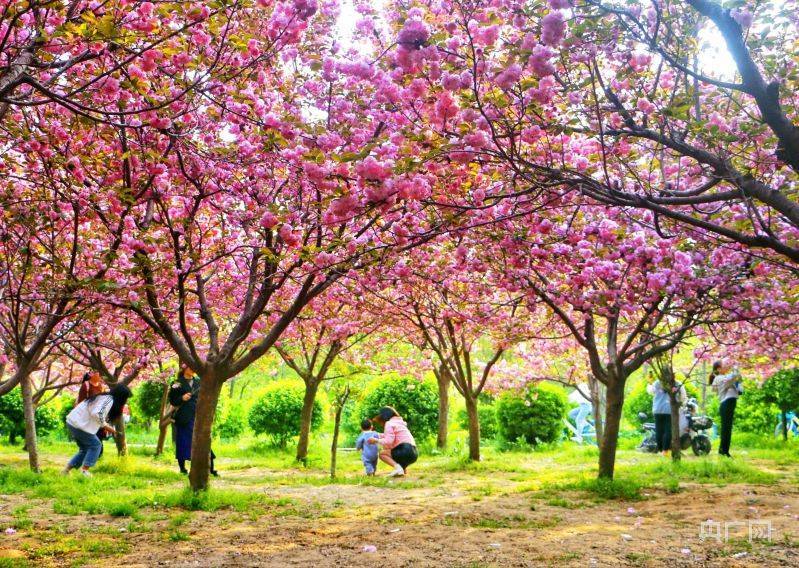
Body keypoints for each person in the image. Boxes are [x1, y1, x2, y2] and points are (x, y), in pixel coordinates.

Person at [62, 384, 131, 477]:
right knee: (96, 445)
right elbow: (97, 413)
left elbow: (97, 414)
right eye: (126, 398)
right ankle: (84, 471)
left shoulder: (104, 397)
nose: (126, 400)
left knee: (85, 449)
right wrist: (106, 426)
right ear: (121, 396)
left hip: (73, 422)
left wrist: (106, 426)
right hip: (78, 424)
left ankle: (66, 471)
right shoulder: (109, 399)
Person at [169, 364, 218, 476]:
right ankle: (182, 468)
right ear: (184, 369)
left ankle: (210, 468)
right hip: (184, 417)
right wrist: (182, 398)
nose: (193, 369)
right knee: (183, 442)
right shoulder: (177, 383)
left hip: (199, 416)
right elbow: (172, 400)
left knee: (203, 440)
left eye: (194, 367)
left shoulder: (200, 381)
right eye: (190, 367)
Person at [368, 406, 417, 477]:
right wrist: (378, 435)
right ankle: (402, 469)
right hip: (414, 453)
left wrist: (376, 440)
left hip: (405, 451)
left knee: (382, 454)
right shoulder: (399, 423)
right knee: (394, 450)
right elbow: (390, 436)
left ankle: (398, 468)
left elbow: (389, 441)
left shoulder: (389, 424)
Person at [709, 360, 741, 457]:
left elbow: (738, 379)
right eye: (725, 365)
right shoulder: (720, 378)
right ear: (719, 369)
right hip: (726, 403)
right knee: (726, 429)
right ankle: (723, 451)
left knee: (727, 428)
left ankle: (723, 451)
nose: (727, 366)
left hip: (728, 404)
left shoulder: (723, 377)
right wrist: (735, 366)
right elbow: (735, 377)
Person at [648, 377, 687, 455]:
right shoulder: (677, 383)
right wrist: (679, 402)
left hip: (657, 409)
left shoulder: (657, 383)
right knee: (668, 430)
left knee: (659, 430)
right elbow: (683, 396)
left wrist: (649, 384)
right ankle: (665, 451)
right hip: (670, 410)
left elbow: (650, 391)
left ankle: (660, 450)